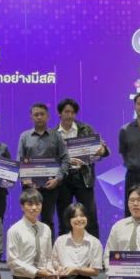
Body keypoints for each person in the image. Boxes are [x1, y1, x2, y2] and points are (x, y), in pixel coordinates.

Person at [55, 98, 109, 238]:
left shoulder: (86, 129)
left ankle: (94, 249)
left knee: (90, 217)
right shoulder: (53, 133)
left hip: (84, 177)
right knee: (64, 218)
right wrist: (66, 161)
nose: (69, 115)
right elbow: (51, 159)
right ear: (59, 113)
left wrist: (101, 150)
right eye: (66, 112)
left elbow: (105, 150)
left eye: (73, 112)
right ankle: (63, 249)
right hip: (63, 180)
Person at [17, 102, 70, 235]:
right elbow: (19, 161)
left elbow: (65, 159)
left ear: (48, 116)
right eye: (36, 115)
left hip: (50, 187)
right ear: (31, 117)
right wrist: (26, 180)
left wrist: (57, 179)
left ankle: (48, 248)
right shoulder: (24, 136)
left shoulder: (56, 136)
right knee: (28, 220)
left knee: (48, 221)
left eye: (42, 114)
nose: (39, 117)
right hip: (29, 187)